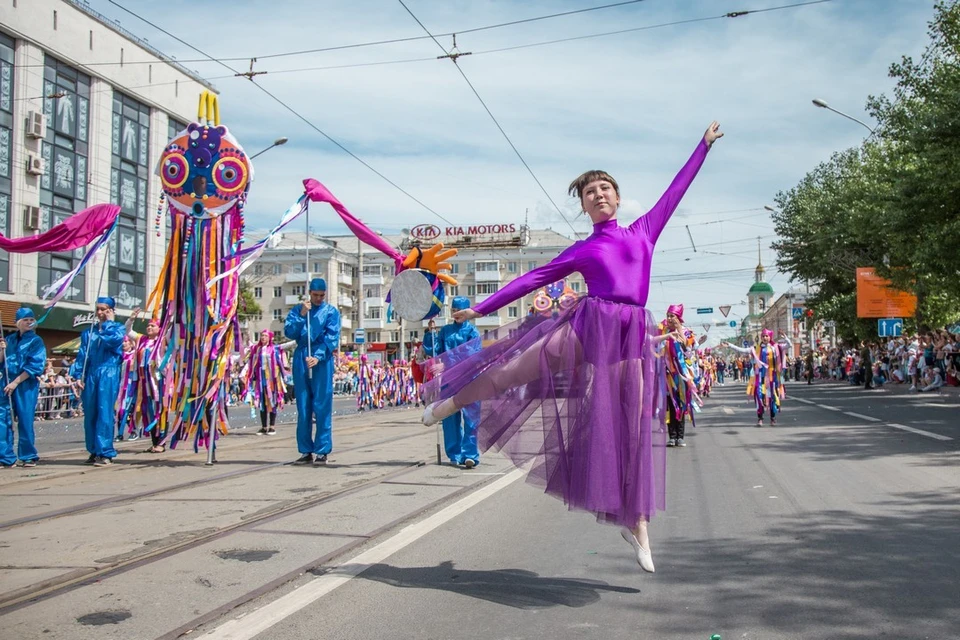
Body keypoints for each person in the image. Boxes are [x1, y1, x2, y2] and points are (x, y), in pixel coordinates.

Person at [421, 121, 723, 573]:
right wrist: (481, 309)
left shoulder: (644, 232)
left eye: (605, 189)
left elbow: (676, 190)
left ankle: (637, 526)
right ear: (584, 207)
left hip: (630, 337)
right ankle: (451, 401)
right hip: (590, 325)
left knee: (635, 433)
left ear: (618, 199)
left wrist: (702, 147)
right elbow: (530, 280)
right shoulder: (583, 249)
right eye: (590, 193)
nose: (599, 195)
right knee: (511, 371)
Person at [284, 277, 340, 465]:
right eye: (315, 295)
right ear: (309, 293)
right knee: (303, 405)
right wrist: (301, 314)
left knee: (322, 404)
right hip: (301, 356)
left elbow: (332, 337)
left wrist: (318, 355)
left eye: (321, 295)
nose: (318, 298)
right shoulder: (299, 311)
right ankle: (305, 450)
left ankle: (322, 450)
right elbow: (290, 332)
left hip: (321, 360)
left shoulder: (330, 312)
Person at [71, 297, 125, 466]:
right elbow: (82, 355)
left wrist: (109, 323)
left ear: (111, 311)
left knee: (104, 412)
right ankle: (93, 450)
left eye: (104, 309)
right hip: (92, 372)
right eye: (98, 309)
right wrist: (78, 375)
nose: (100, 312)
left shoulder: (117, 328)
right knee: (91, 413)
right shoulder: (88, 332)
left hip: (108, 371)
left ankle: (105, 451)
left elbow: (113, 342)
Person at [430, 297, 482, 468]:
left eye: (459, 310)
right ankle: (455, 453)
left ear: (467, 312)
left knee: (471, 418)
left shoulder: (472, 332)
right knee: (449, 417)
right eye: (453, 310)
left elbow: (471, 355)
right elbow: (434, 350)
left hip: (470, 380)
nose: (456, 313)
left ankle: (470, 455)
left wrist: (446, 364)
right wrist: (428, 334)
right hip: (448, 381)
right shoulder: (445, 331)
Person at [0, 308, 46, 468]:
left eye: (31, 319)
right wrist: (1, 349)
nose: (28, 322)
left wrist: (16, 382)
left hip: (25, 384)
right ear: (18, 322)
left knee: (25, 420)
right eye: (25, 319)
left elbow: (35, 366)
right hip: (7, 382)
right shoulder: (10, 339)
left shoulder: (36, 341)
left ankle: (28, 455)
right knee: (3, 419)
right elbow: (2, 362)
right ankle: (5, 456)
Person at [723, 329, 791, 426]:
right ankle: (760, 418)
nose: (764, 338)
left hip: (772, 377)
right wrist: (730, 345)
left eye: (766, 336)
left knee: (773, 397)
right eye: (763, 336)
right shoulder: (755, 348)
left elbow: (789, 345)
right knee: (759, 397)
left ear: (770, 337)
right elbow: (742, 350)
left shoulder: (775, 347)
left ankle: (773, 418)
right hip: (760, 377)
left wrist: (786, 338)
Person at [244, 331, 289, 435]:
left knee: (273, 401)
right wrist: (247, 338)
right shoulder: (257, 349)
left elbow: (282, 356)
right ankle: (264, 427)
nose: (263, 337)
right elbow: (249, 348)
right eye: (261, 336)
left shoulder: (275, 348)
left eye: (265, 336)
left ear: (270, 338)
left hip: (273, 379)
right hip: (261, 379)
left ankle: (272, 426)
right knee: (262, 402)